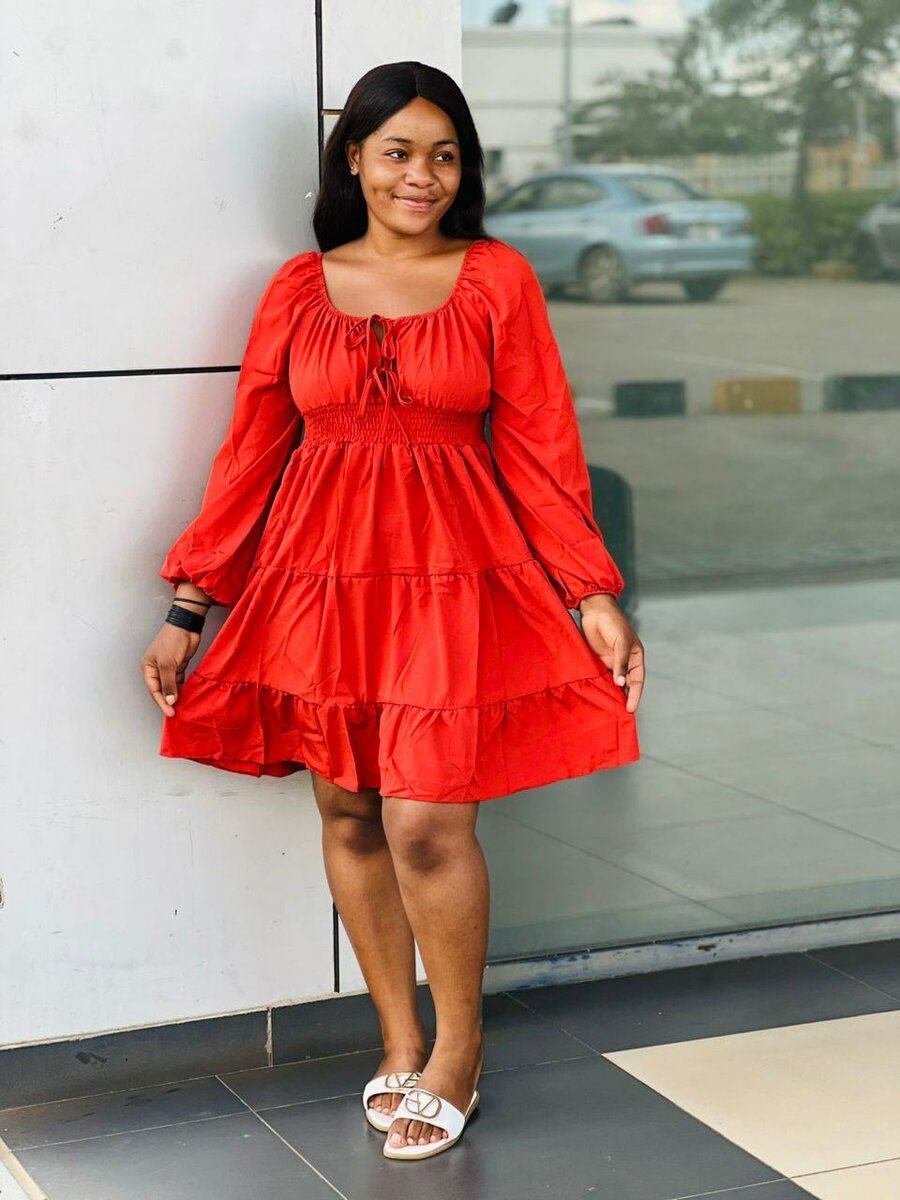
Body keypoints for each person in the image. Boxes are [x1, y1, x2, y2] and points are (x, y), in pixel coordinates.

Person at [141, 60, 645, 1161]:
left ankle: (459, 1048)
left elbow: (541, 443)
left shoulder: (496, 278)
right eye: (399, 151)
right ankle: (400, 1039)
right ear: (354, 161)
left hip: (455, 579)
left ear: (466, 170)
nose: (422, 175)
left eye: (444, 155)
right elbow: (253, 452)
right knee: (351, 813)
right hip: (319, 581)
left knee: (427, 820)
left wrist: (590, 587)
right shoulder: (298, 287)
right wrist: (191, 604)